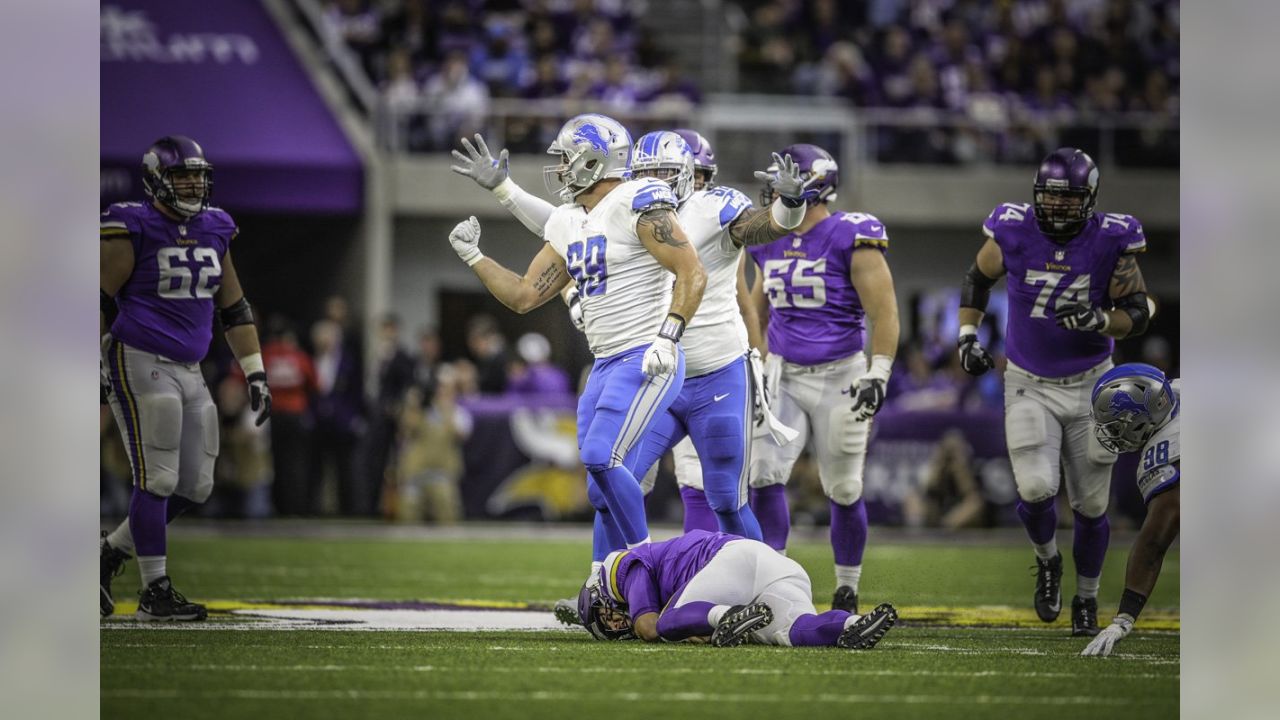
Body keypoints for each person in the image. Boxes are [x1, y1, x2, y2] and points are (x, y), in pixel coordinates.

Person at [451, 127, 803, 557]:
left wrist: (789, 206)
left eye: (669, 171)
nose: (659, 178)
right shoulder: (628, 209)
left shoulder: (711, 208)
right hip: (653, 370)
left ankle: (762, 582)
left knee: (726, 496)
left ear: (695, 173)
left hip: (715, 372)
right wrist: (505, 191)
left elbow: (759, 228)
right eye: (649, 170)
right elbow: (564, 227)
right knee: (607, 485)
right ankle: (609, 587)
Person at [444, 113, 705, 553]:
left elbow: (691, 271)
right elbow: (525, 295)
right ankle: (606, 583)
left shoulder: (636, 200)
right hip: (604, 363)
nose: (562, 168)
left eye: (567, 158)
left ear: (593, 161)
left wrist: (669, 333)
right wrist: (473, 255)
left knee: (603, 458)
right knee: (598, 489)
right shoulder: (572, 220)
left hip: (645, 354)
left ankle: (642, 570)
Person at [956, 147, 1153, 635]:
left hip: (1092, 382)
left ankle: (1086, 598)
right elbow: (977, 280)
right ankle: (1047, 561)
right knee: (1036, 487)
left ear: (1089, 198)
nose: (1057, 207)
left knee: (1091, 505)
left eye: (1069, 200)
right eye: (1050, 197)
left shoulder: (1112, 238)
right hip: (1028, 381)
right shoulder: (1012, 227)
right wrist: (966, 336)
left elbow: (1140, 310)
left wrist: (1102, 318)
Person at [99, 135, 271, 620]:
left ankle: (108, 553)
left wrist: (255, 373)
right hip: (139, 356)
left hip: (191, 367)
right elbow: (94, 296)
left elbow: (233, 307)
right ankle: (155, 590)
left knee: (195, 484)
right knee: (157, 477)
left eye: (199, 175)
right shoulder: (133, 224)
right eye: (183, 176)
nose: (194, 184)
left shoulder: (216, 227)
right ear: (157, 180)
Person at [745, 144, 902, 615]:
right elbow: (759, 306)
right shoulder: (766, 236)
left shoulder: (851, 233)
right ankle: (773, 578)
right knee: (763, 473)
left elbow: (885, 312)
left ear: (814, 187)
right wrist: (758, 358)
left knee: (844, 486)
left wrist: (880, 370)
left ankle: (847, 587)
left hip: (841, 373)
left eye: (784, 179)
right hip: (785, 374)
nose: (773, 188)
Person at [576, 529, 899, 649]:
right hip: (769, 565)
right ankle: (852, 625)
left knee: (666, 621)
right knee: (792, 629)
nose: (618, 623)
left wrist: (692, 625)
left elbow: (647, 627)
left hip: (730, 562)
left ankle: (727, 615)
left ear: (599, 594)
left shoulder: (619, 569)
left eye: (607, 617)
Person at [1081, 364, 1179, 657]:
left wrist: (1124, 617)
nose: (1111, 433)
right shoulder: (1174, 391)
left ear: (1141, 420)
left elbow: (1155, 539)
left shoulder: (1165, 449)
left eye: (1116, 424)